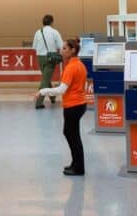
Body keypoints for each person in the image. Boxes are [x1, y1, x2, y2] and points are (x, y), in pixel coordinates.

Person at [37, 38, 88, 175]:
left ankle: (78, 167)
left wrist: (43, 91)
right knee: (70, 133)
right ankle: (76, 163)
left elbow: (61, 90)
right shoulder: (79, 65)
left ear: (73, 50)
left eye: (65, 48)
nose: (62, 50)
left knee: (73, 136)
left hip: (74, 105)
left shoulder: (72, 67)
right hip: (78, 104)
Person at [33, 14, 64, 109]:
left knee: (46, 78)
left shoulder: (38, 32)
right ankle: (38, 103)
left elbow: (34, 46)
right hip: (50, 58)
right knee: (45, 79)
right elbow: (61, 46)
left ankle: (52, 97)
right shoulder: (55, 32)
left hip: (40, 57)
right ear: (51, 22)